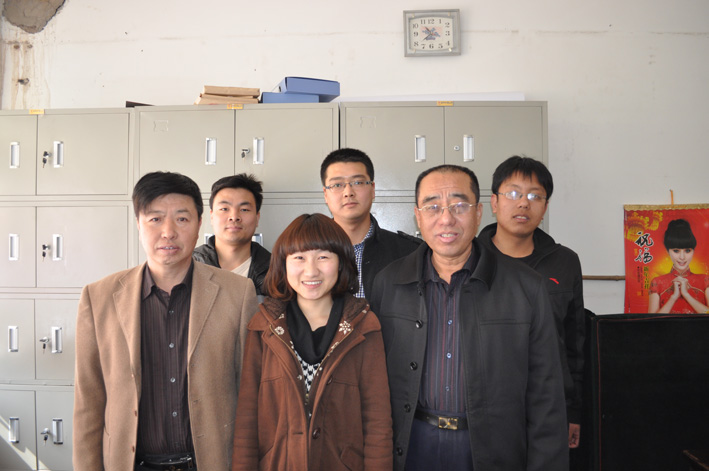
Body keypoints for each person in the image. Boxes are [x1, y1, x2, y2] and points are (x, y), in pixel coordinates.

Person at [370, 164, 567, 471]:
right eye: (433, 207)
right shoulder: (389, 282)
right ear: (418, 216)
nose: (446, 218)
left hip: (490, 449)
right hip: (412, 444)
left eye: (459, 206)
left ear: (478, 213)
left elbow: (546, 395)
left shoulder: (526, 287)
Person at [73, 171, 259, 471]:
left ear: (199, 224)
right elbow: (88, 401)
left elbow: (250, 396)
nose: (168, 232)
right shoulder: (99, 298)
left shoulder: (237, 293)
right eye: (155, 219)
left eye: (182, 219)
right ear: (138, 224)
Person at [232, 213, 393, 471]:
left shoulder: (364, 326)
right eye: (299, 258)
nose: (311, 270)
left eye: (323, 257)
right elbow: (247, 420)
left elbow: (377, 423)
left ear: (341, 262)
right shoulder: (263, 326)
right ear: (283, 264)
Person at [478, 155, 585, 449]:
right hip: (483, 407)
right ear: (494, 202)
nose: (524, 203)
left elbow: (575, 345)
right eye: (513, 193)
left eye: (535, 196)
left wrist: (574, 411)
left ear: (545, 207)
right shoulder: (471, 260)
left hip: (549, 406)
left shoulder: (565, 261)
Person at [321, 148, 420, 299]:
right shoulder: (304, 253)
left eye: (358, 182)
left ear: (372, 189)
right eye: (337, 185)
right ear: (325, 194)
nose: (348, 192)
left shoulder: (410, 252)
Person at [193, 173, 271, 297]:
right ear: (212, 216)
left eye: (244, 209)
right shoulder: (189, 265)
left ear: (257, 218)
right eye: (224, 209)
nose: (234, 217)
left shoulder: (275, 270)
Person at [648, 218, 709, 313]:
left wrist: (686, 295)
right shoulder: (657, 282)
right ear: (667, 251)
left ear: (693, 251)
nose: (682, 257)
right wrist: (673, 297)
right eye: (676, 251)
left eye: (687, 251)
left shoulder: (705, 280)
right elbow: (652, 320)